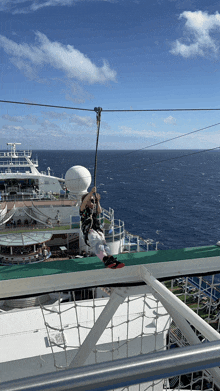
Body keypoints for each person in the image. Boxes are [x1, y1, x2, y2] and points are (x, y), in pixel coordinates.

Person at [80, 186, 124, 269]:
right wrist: (91, 193)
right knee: (97, 244)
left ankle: (111, 258)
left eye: (93, 201)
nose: (93, 202)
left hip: (97, 229)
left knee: (104, 244)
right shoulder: (83, 210)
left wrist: (97, 201)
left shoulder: (93, 210)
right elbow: (84, 203)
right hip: (89, 230)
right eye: (91, 201)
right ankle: (105, 259)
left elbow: (99, 211)